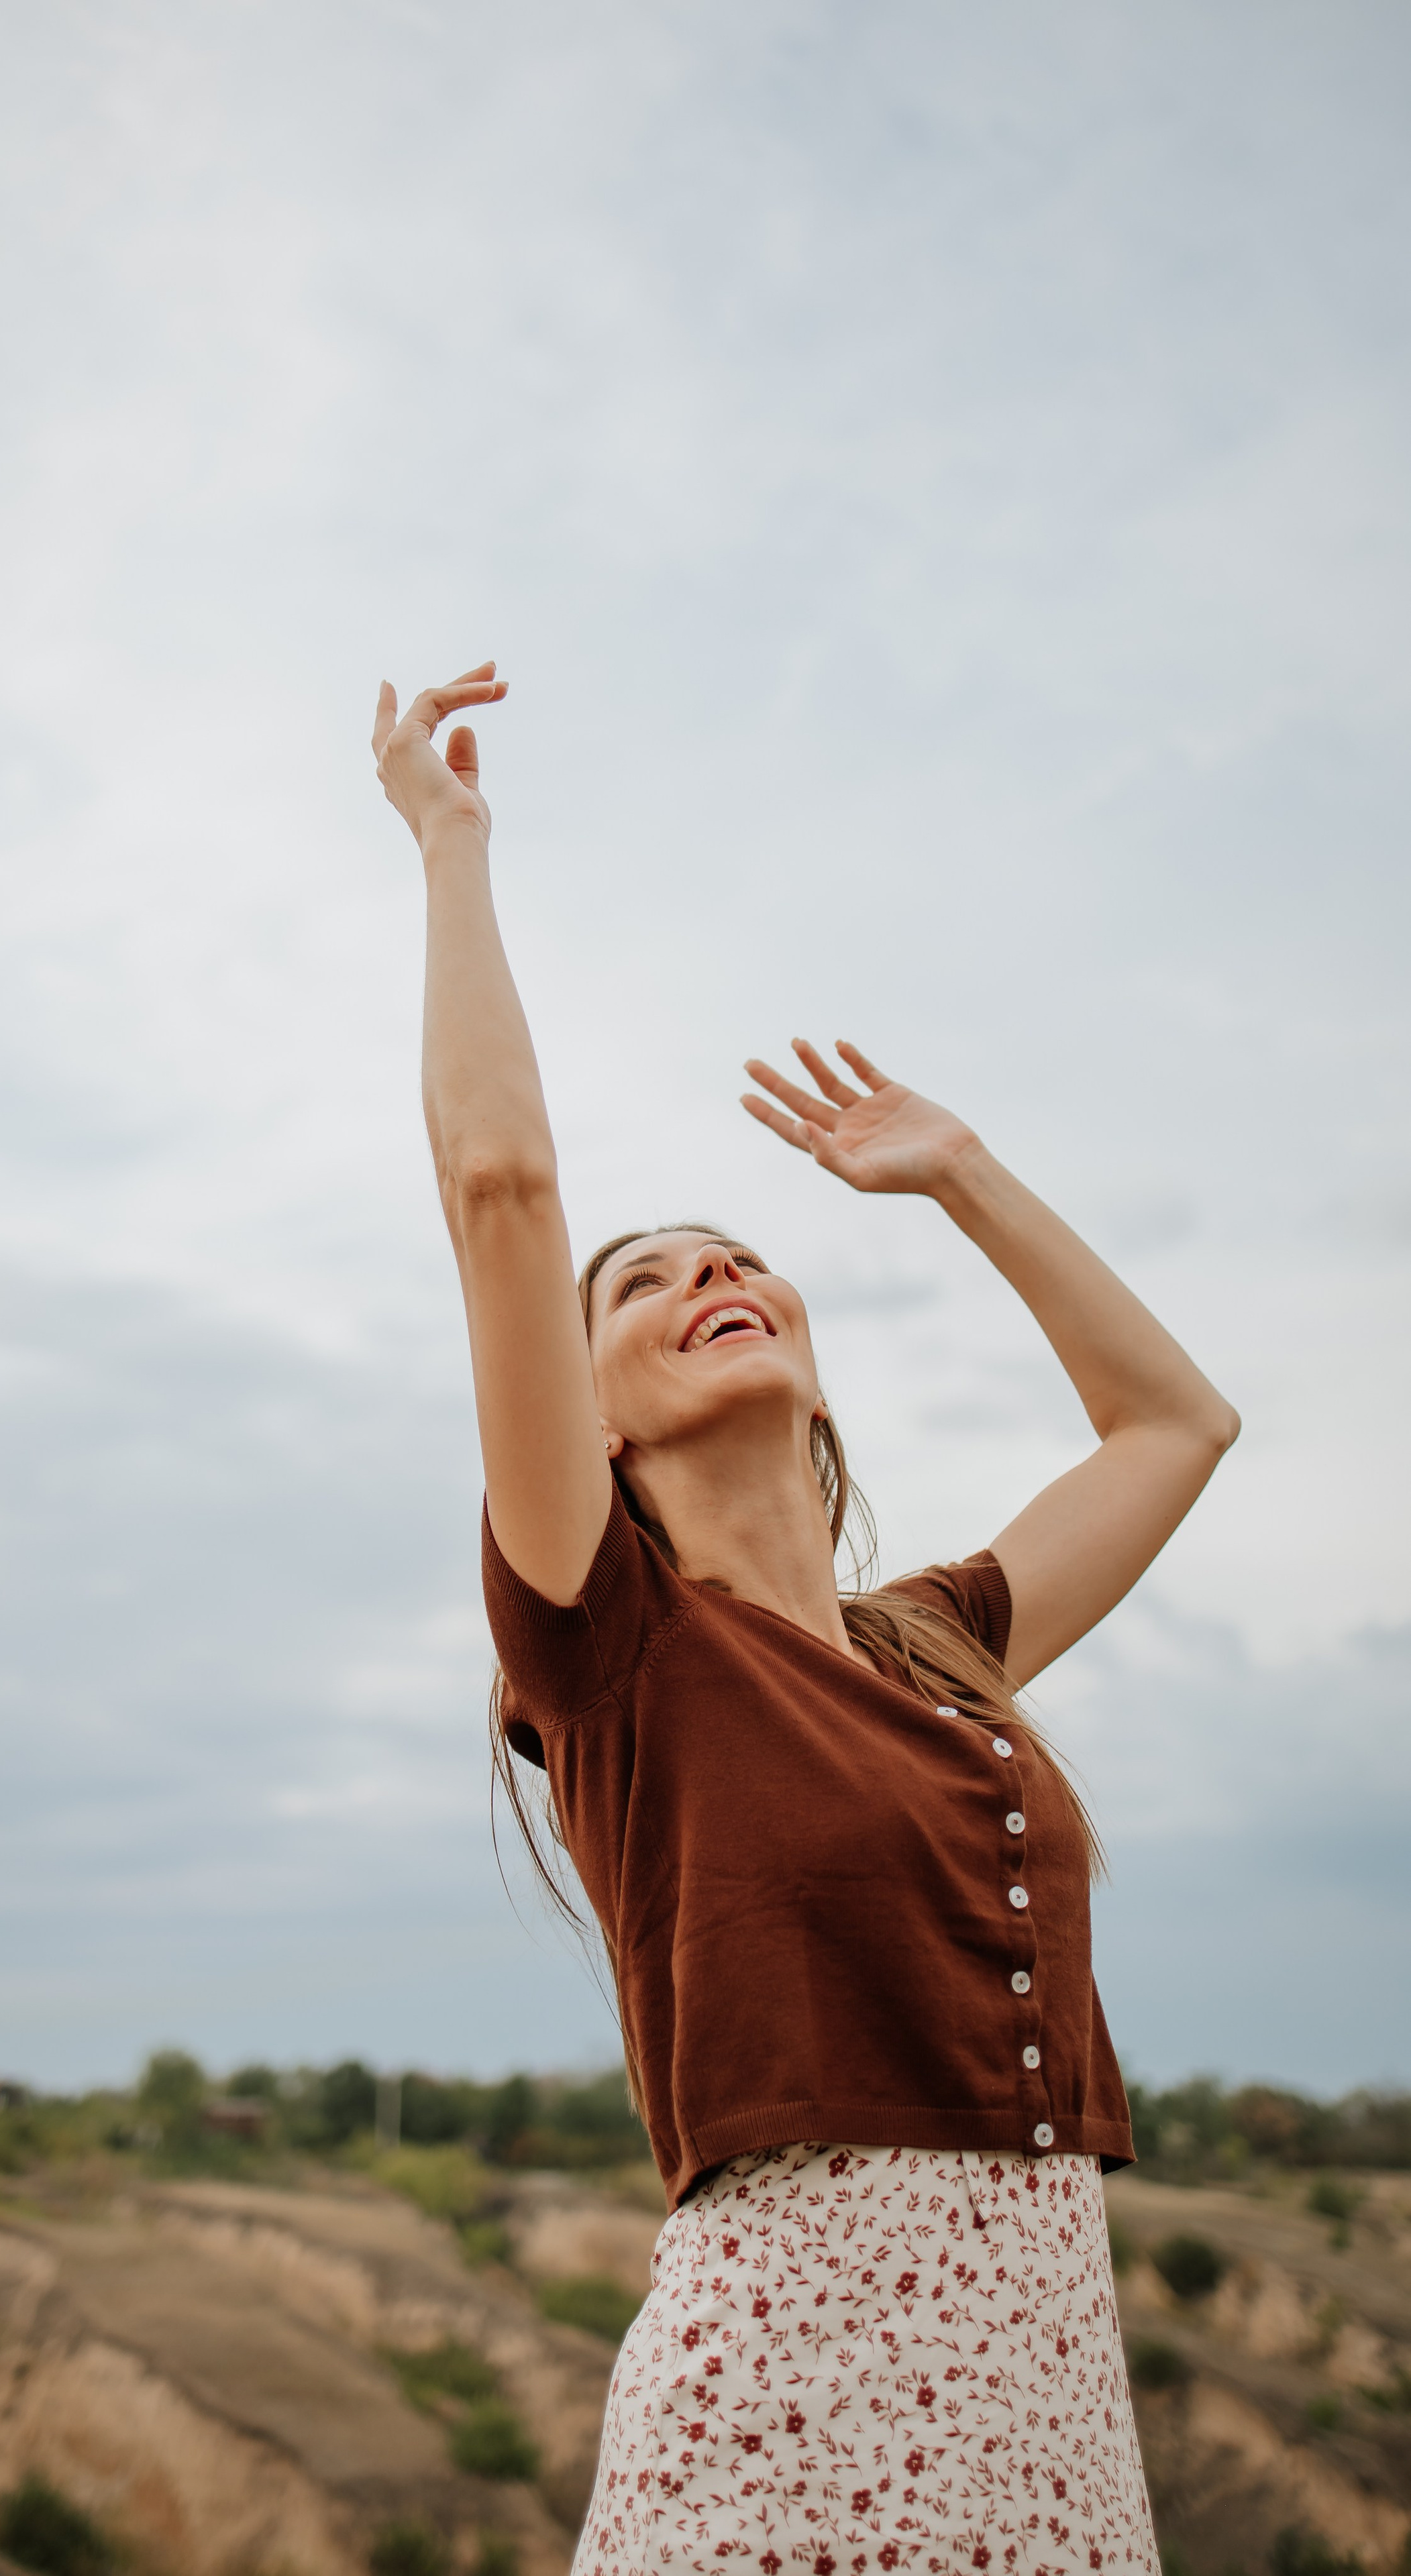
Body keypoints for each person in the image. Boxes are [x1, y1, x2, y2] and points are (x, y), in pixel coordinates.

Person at [372, 663, 1238, 2576]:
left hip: (1051, 2403)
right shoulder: (607, 1642)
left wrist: (964, 1176)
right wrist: (452, 847)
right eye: (648, 1286)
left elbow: (1178, 1426)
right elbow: (504, 1192)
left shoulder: (940, 1642)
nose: (712, 1275)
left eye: (741, 1254)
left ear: (822, 1376)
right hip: (789, 2396)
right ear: (582, 1421)